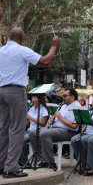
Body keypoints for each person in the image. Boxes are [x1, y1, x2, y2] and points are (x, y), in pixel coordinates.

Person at [0, 27, 59, 178]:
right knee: (16, 130)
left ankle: (1, 165)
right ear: (21, 38)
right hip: (15, 91)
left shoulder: (1, 51)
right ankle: (11, 168)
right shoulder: (21, 50)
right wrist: (54, 45)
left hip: (1, 91)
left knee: (3, 129)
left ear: (9, 37)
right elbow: (45, 60)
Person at [29, 88, 80, 169]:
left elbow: (74, 126)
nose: (63, 97)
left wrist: (60, 117)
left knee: (44, 133)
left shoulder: (77, 107)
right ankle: (41, 159)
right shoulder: (63, 106)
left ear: (73, 96)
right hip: (56, 129)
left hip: (68, 132)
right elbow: (57, 120)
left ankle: (50, 162)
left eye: (65, 95)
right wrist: (52, 120)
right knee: (32, 132)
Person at [20, 95, 49, 165]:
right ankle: (22, 160)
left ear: (40, 98)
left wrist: (30, 118)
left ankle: (24, 162)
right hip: (30, 130)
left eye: (36, 97)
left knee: (22, 140)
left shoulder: (43, 109)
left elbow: (43, 124)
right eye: (32, 97)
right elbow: (27, 122)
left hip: (39, 131)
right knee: (17, 137)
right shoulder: (31, 108)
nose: (34, 99)